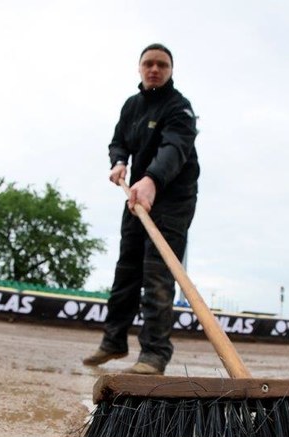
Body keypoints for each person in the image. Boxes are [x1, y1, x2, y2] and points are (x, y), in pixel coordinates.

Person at [82, 43, 199, 375]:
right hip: (136, 195)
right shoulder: (131, 107)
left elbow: (175, 148)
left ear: (170, 70)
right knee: (127, 270)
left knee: (158, 275)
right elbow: (118, 140)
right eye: (149, 63)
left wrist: (152, 180)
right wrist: (119, 161)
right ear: (139, 68)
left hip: (173, 199)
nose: (155, 69)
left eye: (162, 64)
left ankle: (154, 354)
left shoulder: (180, 108)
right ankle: (114, 341)